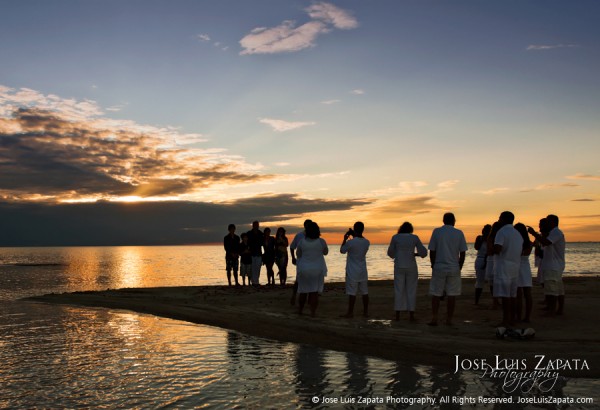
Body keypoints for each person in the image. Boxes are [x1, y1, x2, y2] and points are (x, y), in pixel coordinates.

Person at [427, 213, 467, 326]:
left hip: (439, 266)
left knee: (436, 293)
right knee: (452, 295)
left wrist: (433, 264)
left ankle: (434, 318)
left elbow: (432, 250)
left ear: (443, 220)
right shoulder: (459, 233)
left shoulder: (437, 231)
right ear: (454, 220)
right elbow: (462, 252)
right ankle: (449, 319)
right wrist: (460, 266)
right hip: (453, 266)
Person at [387, 222, 427, 321]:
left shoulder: (395, 237)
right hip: (411, 266)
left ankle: (397, 315)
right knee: (411, 290)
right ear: (411, 229)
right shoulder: (414, 238)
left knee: (398, 289)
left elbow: (390, 252)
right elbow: (423, 252)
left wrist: (397, 254)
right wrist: (416, 254)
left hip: (399, 265)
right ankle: (411, 315)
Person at [528, 214, 565, 316]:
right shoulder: (552, 233)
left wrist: (534, 234)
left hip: (553, 265)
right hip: (552, 264)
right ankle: (554, 308)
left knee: (552, 288)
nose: (546, 223)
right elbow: (545, 247)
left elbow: (547, 242)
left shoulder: (556, 232)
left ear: (553, 222)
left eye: (548, 221)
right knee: (556, 288)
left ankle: (552, 310)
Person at [493, 211, 523, 327]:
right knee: (512, 295)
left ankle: (506, 319)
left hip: (504, 266)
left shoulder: (501, 232)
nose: (498, 219)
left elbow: (498, 249)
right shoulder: (517, 233)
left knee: (505, 296)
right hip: (515, 267)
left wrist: (493, 248)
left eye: (500, 218)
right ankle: (512, 319)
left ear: (504, 219)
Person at [296, 222, 328, 317]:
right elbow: (325, 252)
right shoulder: (321, 241)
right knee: (314, 292)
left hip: (304, 269)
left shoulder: (302, 241)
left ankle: (300, 311)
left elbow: (298, 255)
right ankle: (312, 312)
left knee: (303, 291)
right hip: (317, 269)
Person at [340, 222, 371, 318]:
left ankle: (350, 312)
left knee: (352, 293)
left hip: (352, 271)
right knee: (365, 292)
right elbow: (361, 240)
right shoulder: (367, 242)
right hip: (362, 270)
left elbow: (342, 250)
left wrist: (345, 239)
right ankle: (365, 312)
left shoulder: (351, 242)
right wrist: (354, 234)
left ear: (354, 229)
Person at [289, 219, 312, 305]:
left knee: (310, 280)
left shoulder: (314, 236)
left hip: (311, 261)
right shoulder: (299, 235)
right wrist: (293, 258)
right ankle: (294, 295)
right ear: (304, 226)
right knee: (298, 280)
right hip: (301, 261)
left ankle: (309, 298)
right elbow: (292, 247)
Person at [514, 222, 533, 322]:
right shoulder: (528, 243)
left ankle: (519, 317)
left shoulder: (516, 242)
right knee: (527, 294)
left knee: (519, 295)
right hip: (526, 267)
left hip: (518, 266)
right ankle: (527, 317)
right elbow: (527, 253)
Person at [474, 224, 491, 305]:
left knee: (491, 281)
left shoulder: (491, 239)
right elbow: (476, 247)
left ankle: (495, 300)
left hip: (488, 259)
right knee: (480, 281)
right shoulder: (479, 238)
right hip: (481, 259)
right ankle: (476, 301)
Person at [246, 221, 264, 286]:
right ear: (253, 226)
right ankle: (254, 282)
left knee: (258, 267)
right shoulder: (249, 233)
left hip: (259, 253)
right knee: (253, 268)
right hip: (251, 253)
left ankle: (256, 281)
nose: (256, 226)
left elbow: (263, 243)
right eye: (255, 225)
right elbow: (246, 242)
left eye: (257, 225)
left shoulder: (260, 233)